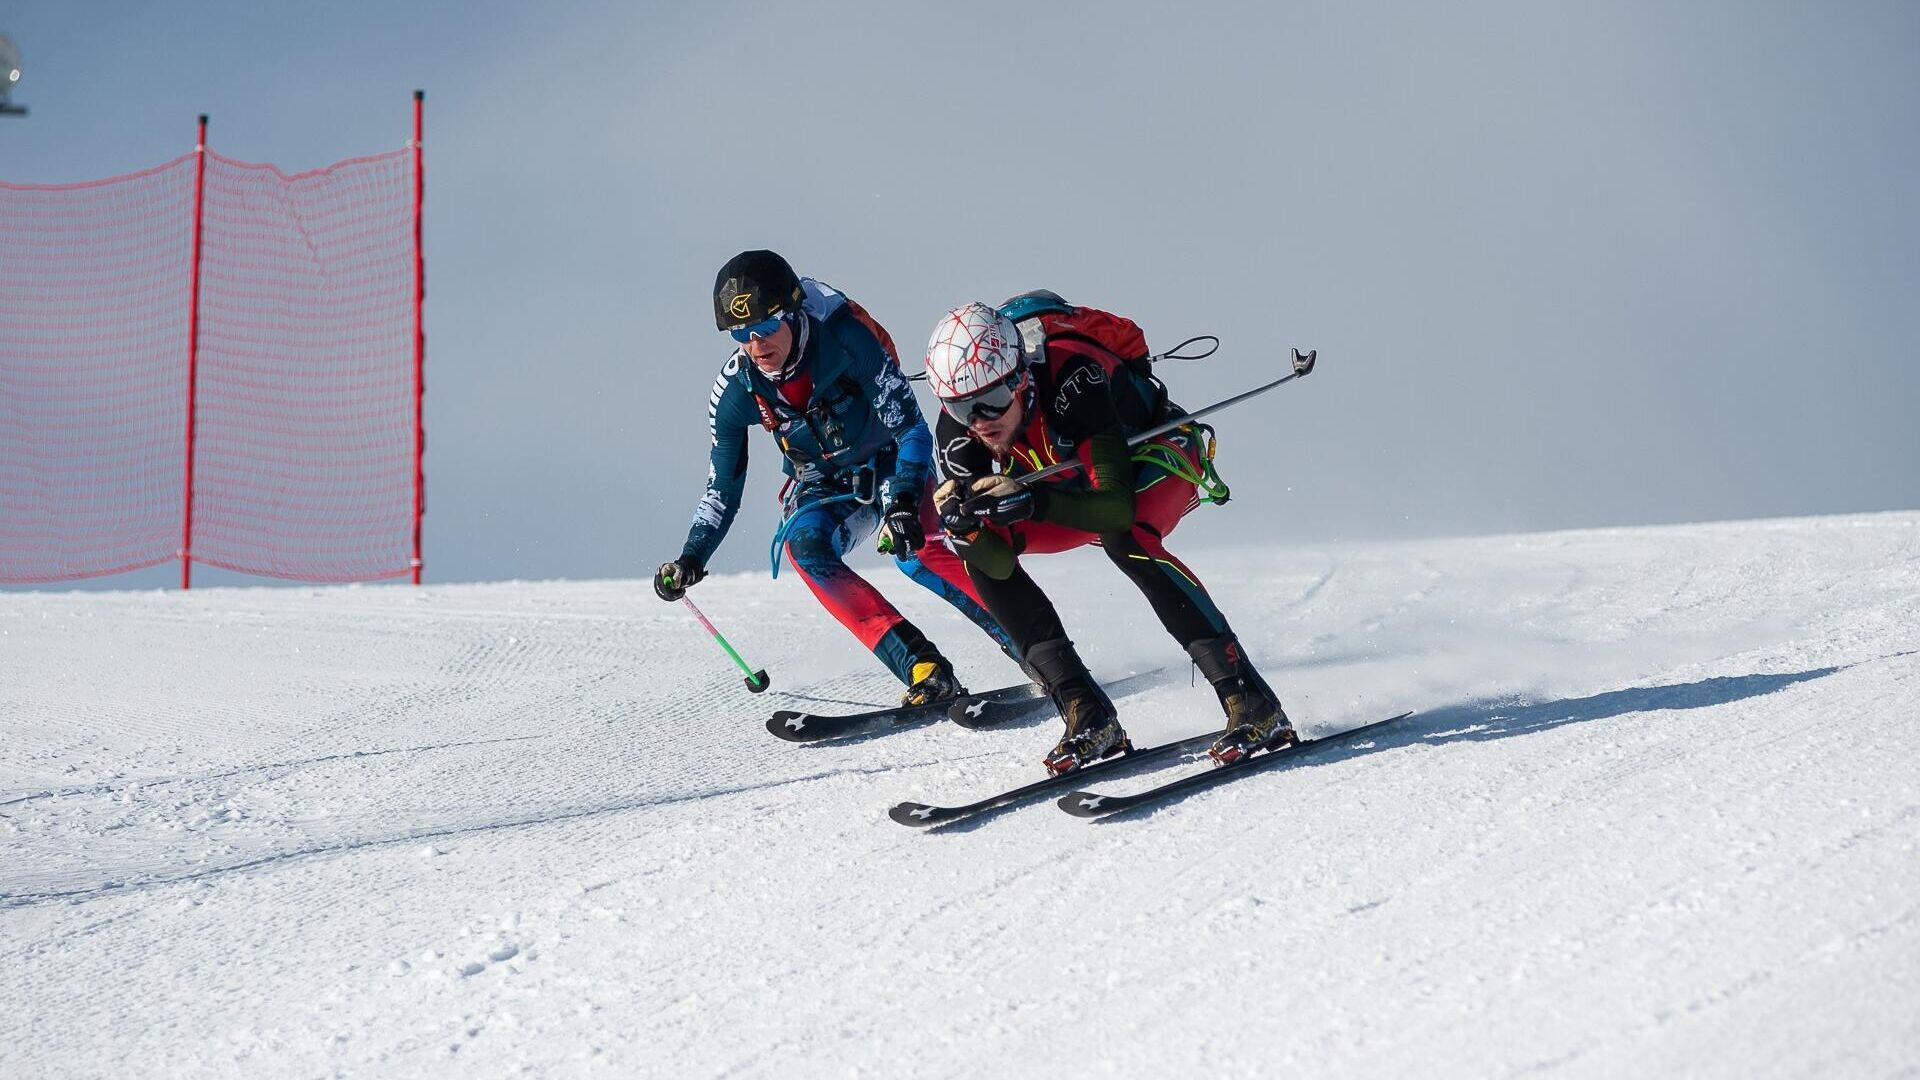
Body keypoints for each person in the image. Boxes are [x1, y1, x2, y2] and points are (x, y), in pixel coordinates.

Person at [924, 295, 1294, 773]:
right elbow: (994, 563)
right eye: (960, 407)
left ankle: (1248, 697)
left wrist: (1032, 501)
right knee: (978, 553)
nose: (979, 422)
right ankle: (1086, 713)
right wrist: (969, 531)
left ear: (1019, 379)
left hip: (1150, 462)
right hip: (1062, 488)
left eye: (991, 401)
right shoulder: (957, 433)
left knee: (1127, 538)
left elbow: (1115, 509)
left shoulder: (1073, 379)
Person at [655, 251, 1011, 706]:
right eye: (741, 334)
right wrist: (691, 556)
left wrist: (902, 501)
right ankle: (923, 668)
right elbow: (723, 487)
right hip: (823, 483)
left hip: (890, 460)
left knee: (914, 550)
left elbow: (912, 430)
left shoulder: (845, 338)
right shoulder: (735, 391)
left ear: (792, 313)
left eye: (765, 328)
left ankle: (1029, 644)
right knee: (804, 547)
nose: (756, 344)